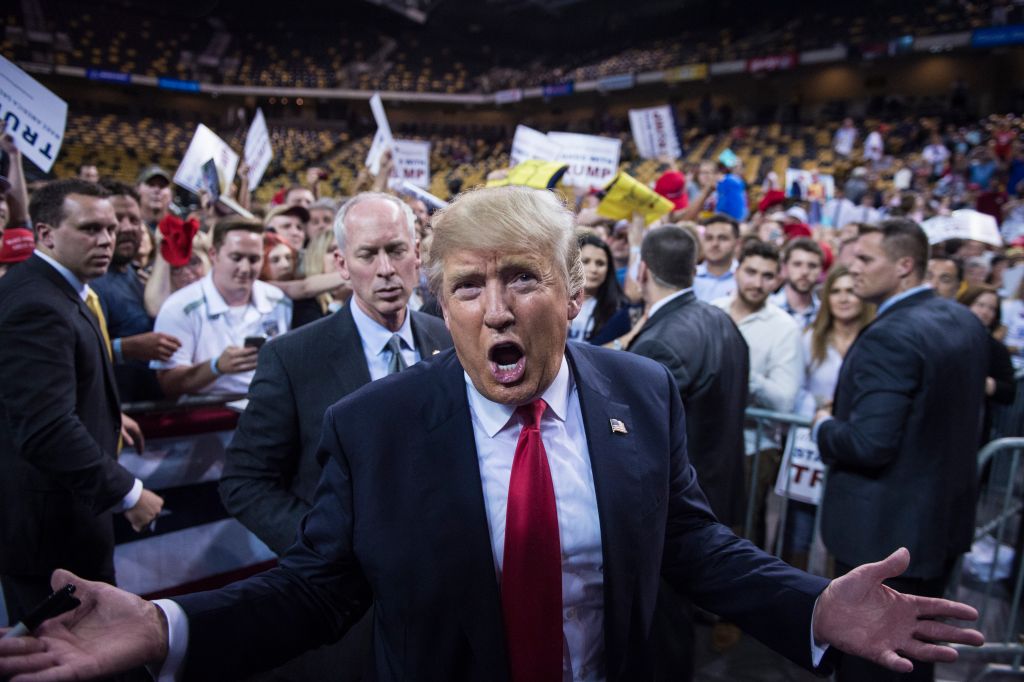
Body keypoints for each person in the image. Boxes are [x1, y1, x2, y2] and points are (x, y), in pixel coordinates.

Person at [0, 187, 985, 682]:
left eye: (520, 278)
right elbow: (315, 589)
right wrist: (169, 629)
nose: (495, 309)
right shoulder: (374, 424)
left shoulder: (640, 390)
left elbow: (689, 542)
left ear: (569, 289)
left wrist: (811, 608)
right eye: (467, 286)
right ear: (444, 300)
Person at [218, 192, 451, 679]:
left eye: (396, 250)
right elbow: (244, 481)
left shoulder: (451, 340)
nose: (386, 269)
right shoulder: (292, 357)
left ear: (418, 255)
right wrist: (324, 548)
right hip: (345, 607)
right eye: (369, 255)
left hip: (445, 596)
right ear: (343, 265)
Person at [814, 219, 989, 682]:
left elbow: (868, 444)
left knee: (875, 665)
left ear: (905, 265)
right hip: (937, 527)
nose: (853, 269)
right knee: (914, 661)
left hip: (883, 538)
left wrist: (824, 426)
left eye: (866, 259)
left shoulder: (890, 335)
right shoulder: (963, 318)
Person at [0, 179, 163, 623]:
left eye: (111, 229)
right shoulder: (38, 304)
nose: (108, 239)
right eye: (90, 228)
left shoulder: (64, 292)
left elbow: (55, 387)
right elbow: (46, 428)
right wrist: (128, 494)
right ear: (46, 234)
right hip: (49, 535)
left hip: (60, 523)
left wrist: (108, 413)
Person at [627, 225, 748, 526]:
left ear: (642, 271)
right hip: (720, 500)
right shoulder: (722, 319)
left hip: (682, 510)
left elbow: (640, 439)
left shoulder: (658, 342)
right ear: (692, 271)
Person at [784, 265, 874, 568]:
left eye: (850, 290)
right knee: (799, 528)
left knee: (845, 532)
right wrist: (822, 408)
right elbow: (796, 390)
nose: (844, 298)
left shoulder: (875, 338)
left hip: (853, 444)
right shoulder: (810, 338)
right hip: (810, 446)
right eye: (835, 291)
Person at [714, 240, 802, 545]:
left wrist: (738, 375)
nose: (757, 282)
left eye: (767, 276)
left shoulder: (784, 327)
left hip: (752, 448)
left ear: (778, 280)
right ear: (737, 272)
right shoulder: (712, 311)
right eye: (751, 272)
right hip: (705, 442)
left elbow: (783, 400)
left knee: (740, 535)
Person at [151, 217, 292, 398]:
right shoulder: (179, 307)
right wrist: (215, 367)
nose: (245, 268)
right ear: (213, 254)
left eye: (254, 259)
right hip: (205, 417)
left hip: (267, 411)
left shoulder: (279, 302)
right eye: (236, 257)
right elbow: (168, 383)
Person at [90, 181, 181, 402]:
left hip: (153, 411)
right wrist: (126, 348)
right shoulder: (89, 283)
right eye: (117, 219)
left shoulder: (137, 274)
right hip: (118, 413)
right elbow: (76, 354)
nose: (128, 227)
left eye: (134, 219)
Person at [957, 285, 1016, 444]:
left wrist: (987, 384)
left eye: (992, 308)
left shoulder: (996, 349)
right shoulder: (944, 336)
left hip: (973, 423)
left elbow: (1009, 392)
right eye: (980, 304)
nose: (985, 312)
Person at [569, 232, 630, 345]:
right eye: (585, 261)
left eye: (600, 263)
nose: (593, 269)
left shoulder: (618, 309)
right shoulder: (555, 301)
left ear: (609, 269)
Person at [771, 238, 824, 329]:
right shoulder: (769, 307)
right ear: (784, 267)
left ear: (820, 270)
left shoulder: (825, 314)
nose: (805, 272)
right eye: (797, 264)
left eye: (812, 266)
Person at [694, 213, 739, 302]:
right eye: (709, 238)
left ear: (737, 243)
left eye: (722, 238)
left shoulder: (746, 278)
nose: (715, 244)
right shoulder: (689, 277)